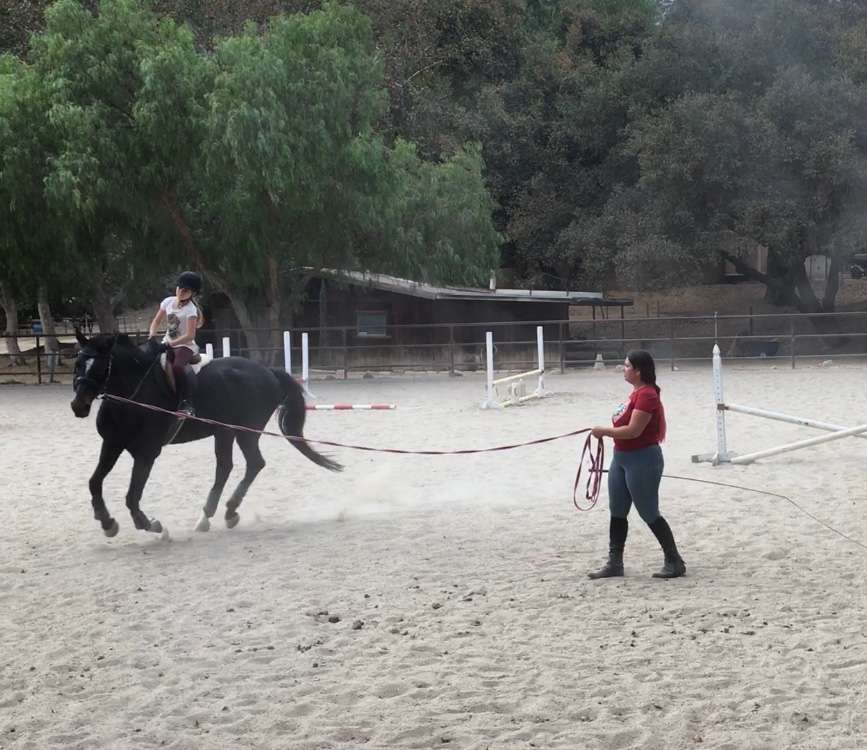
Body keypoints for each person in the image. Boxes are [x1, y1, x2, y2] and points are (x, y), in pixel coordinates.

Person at [588, 350, 686, 579]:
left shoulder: (647, 396)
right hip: (622, 458)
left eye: (626, 366)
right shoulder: (635, 393)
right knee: (617, 510)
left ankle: (674, 560)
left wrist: (603, 431)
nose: (623, 369)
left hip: (642, 458)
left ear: (638, 371)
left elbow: (633, 431)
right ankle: (615, 562)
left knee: (648, 511)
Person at [148, 271, 203, 417]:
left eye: (185, 290)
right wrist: (152, 335)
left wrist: (170, 345)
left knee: (178, 366)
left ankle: (187, 402)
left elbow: (190, 335)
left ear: (193, 293)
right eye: (179, 288)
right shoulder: (168, 302)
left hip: (185, 345)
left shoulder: (191, 310)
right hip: (167, 341)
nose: (181, 292)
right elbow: (156, 321)